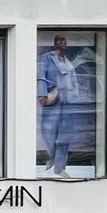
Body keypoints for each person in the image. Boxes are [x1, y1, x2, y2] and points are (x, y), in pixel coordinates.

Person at [38, 34, 81, 175]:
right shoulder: (47, 57)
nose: (62, 43)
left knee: (65, 135)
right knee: (48, 131)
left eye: (64, 40)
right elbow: (41, 76)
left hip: (67, 100)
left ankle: (59, 167)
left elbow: (73, 79)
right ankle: (52, 156)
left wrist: (75, 93)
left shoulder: (68, 61)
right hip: (53, 97)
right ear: (55, 43)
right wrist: (42, 94)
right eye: (59, 40)